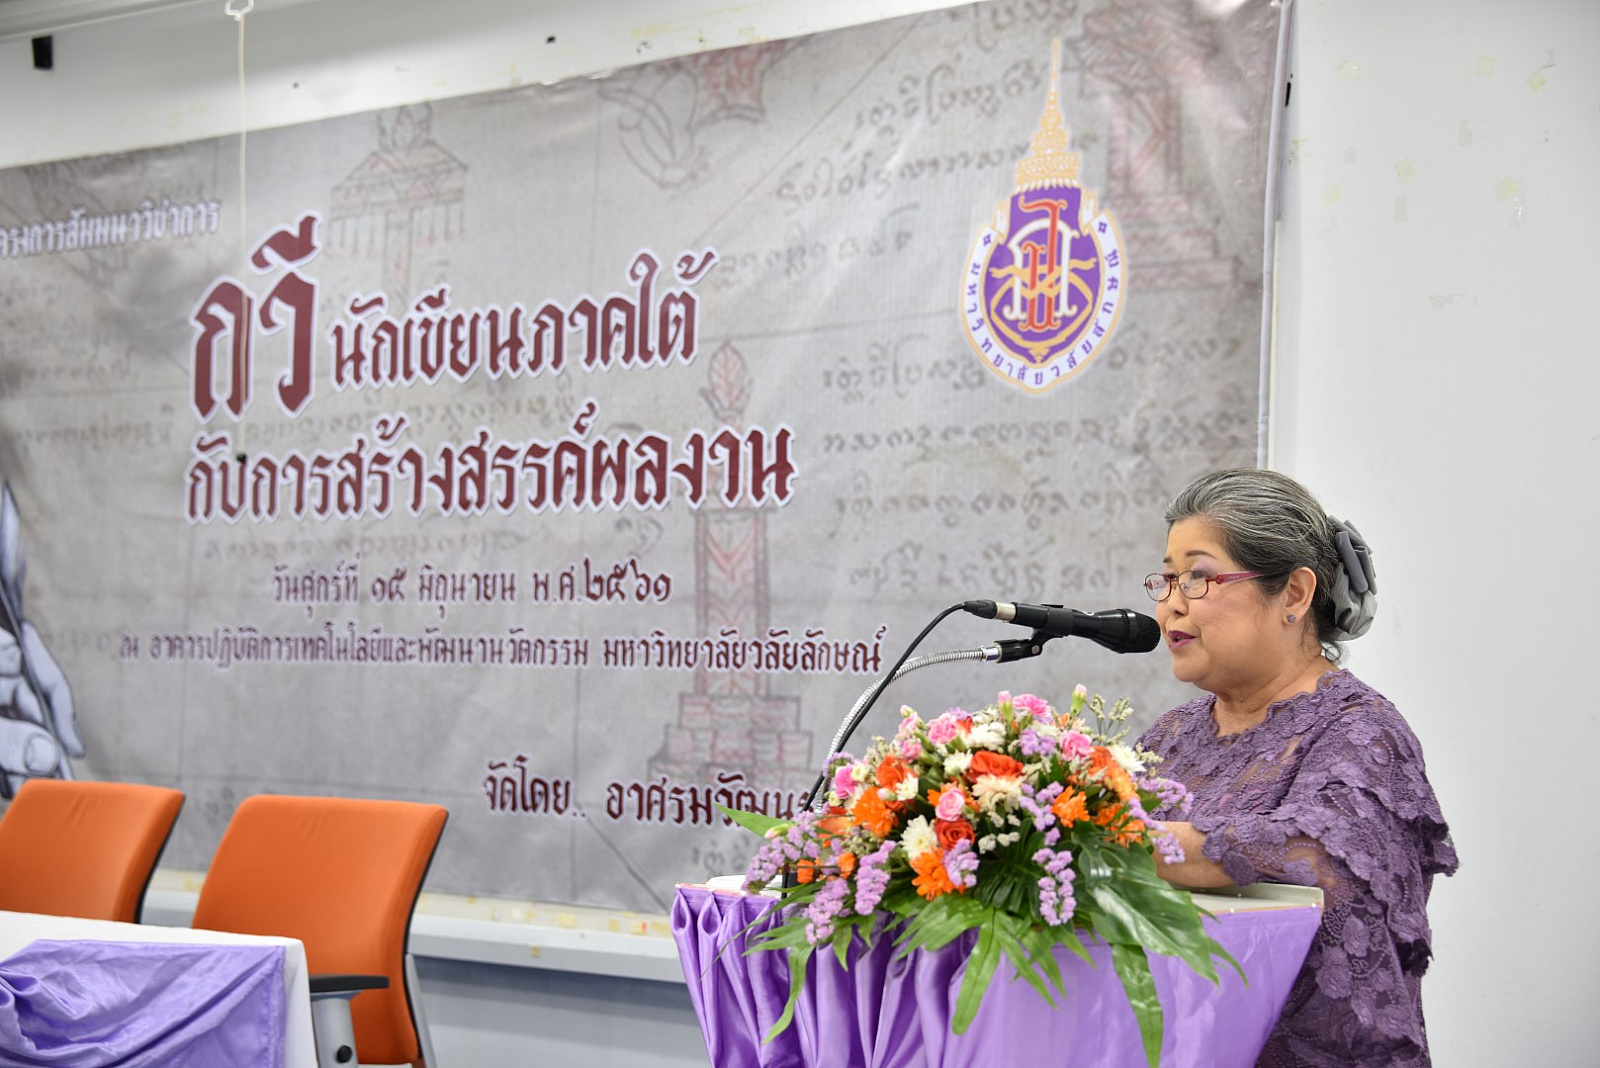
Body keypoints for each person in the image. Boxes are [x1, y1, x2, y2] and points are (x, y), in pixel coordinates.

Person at [1138, 468, 1457, 1068]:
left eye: (1199, 577)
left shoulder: (1360, 729)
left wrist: (1132, 843)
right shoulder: (1170, 736)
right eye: (1168, 579)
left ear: (1293, 594)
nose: (1170, 604)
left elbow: (1320, 851)